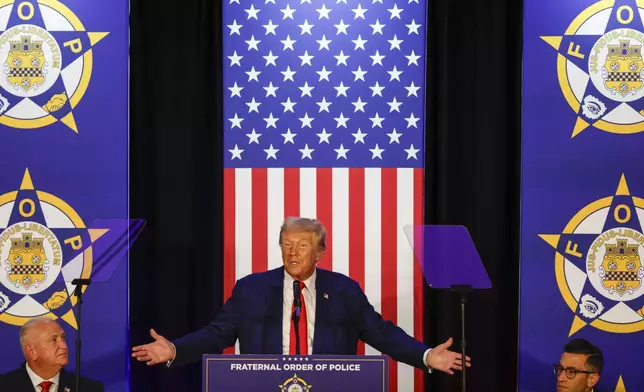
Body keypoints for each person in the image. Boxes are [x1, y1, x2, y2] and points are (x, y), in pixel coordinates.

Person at [132, 217, 471, 375]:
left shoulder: (343, 290)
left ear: (319, 252)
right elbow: (216, 334)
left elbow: (382, 334)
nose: (293, 253)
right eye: (287, 245)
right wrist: (175, 349)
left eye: (303, 246)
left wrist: (426, 356)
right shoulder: (251, 289)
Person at [0, 317, 105, 392]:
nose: (64, 346)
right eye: (54, 340)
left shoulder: (89, 388)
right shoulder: (4, 386)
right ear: (32, 352)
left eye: (63, 338)